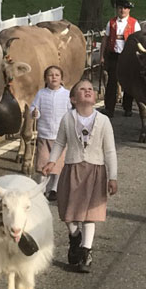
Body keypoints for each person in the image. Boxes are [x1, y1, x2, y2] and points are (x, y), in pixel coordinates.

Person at [42, 79, 117, 273]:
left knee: (90, 214)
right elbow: (59, 143)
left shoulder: (104, 121)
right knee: (68, 211)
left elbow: (109, 151)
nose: (87, 91)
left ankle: (86, 251)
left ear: (95, 97)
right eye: (82, 89)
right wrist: (51, 161)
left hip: (95, 171)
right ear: (73, 99)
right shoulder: (68, 119)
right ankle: (75, 236)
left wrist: (112, 177)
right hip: (72, 169)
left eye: (90, 89)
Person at [30, 65, 70, 202]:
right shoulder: (41, 93)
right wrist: (35, 112)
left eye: (57, 75)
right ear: (45, 79)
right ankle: (40, 189)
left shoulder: (67, 94)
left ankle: (54, 188)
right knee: (43, 163)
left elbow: (71, 112)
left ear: (61, 78)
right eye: (50, 75)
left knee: (58, 164)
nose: (54, 77)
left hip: (61, 137)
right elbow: (33, 107)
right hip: (44, 134)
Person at [101, 0, 141, 118]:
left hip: (128, 56)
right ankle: (109, 108)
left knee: (129, 81)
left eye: (125, 8)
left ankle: (127, 107)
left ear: (128, 10)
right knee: (112, 82)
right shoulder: (111, 23)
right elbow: (105, 39)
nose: (122, 10)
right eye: (120, 8)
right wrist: (102, 55)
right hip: (114, 55)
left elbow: (138, 40)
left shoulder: (134, 23)